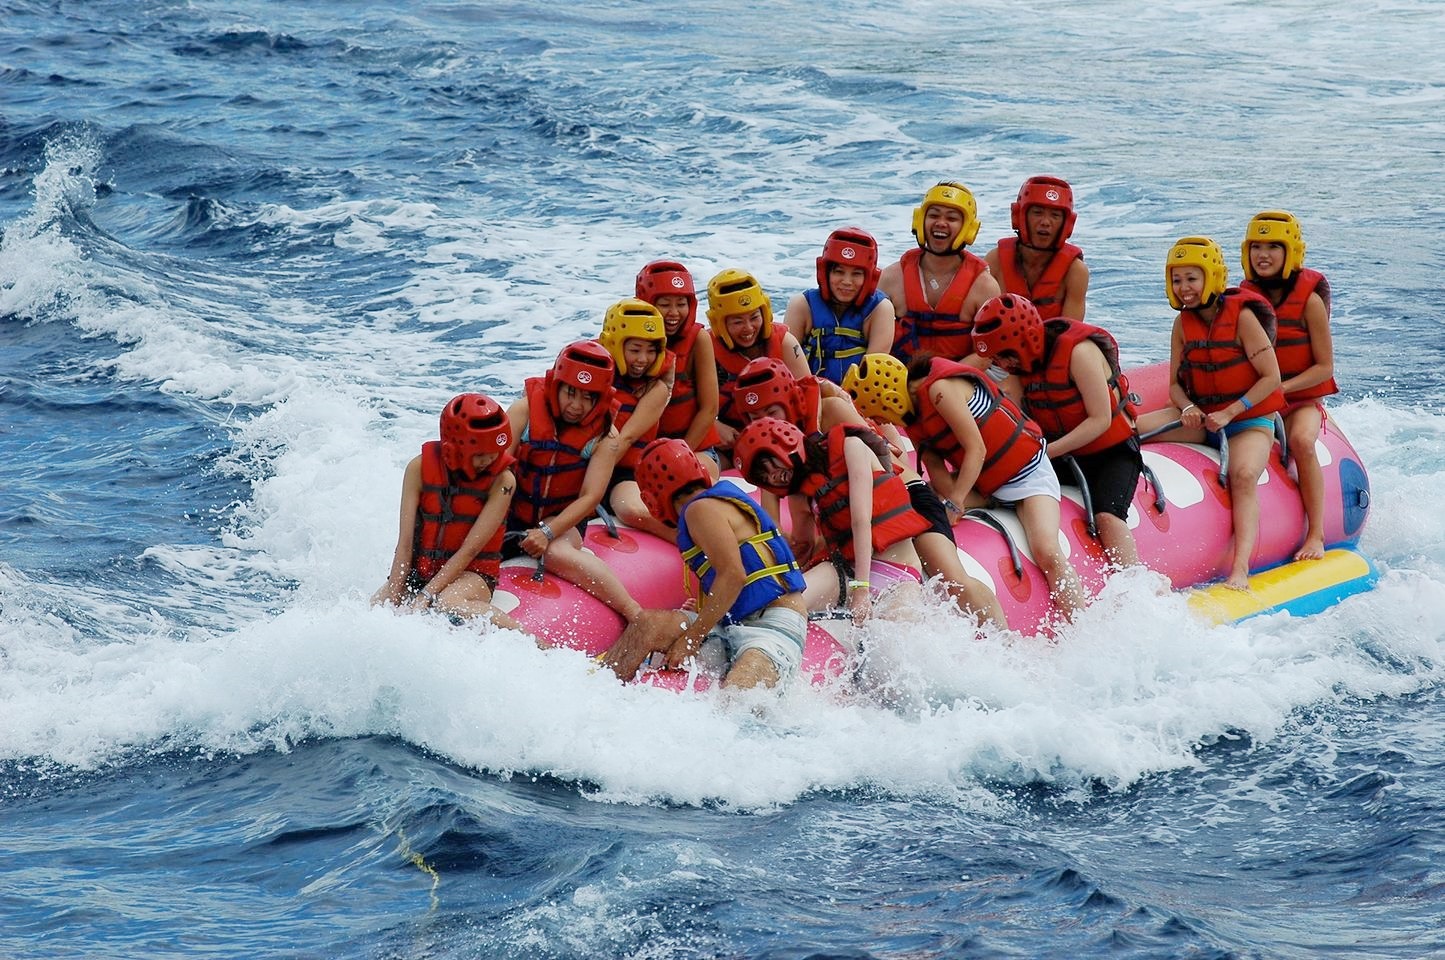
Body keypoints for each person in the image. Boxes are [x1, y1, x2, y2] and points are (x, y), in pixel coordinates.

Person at [738, 354, 1008, 628]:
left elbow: (882, 462)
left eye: (770, 413)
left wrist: (862, 580)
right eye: (753, 416)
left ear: (789, 400)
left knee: (950, 575)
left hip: (903, 495)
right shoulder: (771, 458)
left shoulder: (830, 412)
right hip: (854, 517)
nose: (762, 421)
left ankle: (1004, 636)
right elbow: (782, 527)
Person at [848, 347, 1087, 622]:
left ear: (889, 400)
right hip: (986, 486)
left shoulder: (941, 390)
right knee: (936, 505)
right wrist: (947, 501)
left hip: (1027, 473)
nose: (887, 424)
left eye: (882, 416)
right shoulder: (916, 418)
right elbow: (939, 478)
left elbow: (977, 449)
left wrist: (956, 501)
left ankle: (1078, 624)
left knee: (1046, 550)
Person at [600, 438, 809, 690]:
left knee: (737, 694)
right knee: (648, 623)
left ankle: (601, 685)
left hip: (772, 625)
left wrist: (691, 638)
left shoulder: (700, 510)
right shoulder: (706, 507)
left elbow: (733, 576)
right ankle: (601, 684)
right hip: (729, 624)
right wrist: (702, 610)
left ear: (653, 497)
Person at [1136, 236, 1284, 590]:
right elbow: (1174, 385)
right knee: (1132, 430)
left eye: (1192, 278)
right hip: (1203, 419)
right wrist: (1187, 407)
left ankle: (1241, 569)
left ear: (1212, 278)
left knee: (1244, 475)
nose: (1184, 288)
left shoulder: (1243, 318)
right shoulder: (1182, 325)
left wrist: (1232, 412)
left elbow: (1271, 377)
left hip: (1248, 421)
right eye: (1177, 280)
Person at [970, 294, 1142, 568]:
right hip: (1059, 455)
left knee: (1107, 517)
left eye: (1002, 356)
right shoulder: (1019, 366)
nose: (1000, 365)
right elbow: (1014, 419)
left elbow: (1100, 420)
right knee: (995, 486)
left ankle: (1136, 582)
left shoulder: (1079, 353)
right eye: (994, 359)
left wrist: (1046, 452)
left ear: (1024, 342)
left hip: (1111, 452)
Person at [734, 416, 931, 625]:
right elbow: (803, 547)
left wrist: (861, 590)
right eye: (763, 476)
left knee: (893, 643)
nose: (772, 477)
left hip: (897, 571)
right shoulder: (800, 495)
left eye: (769, 466)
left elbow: (861, 521)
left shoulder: (852, 446)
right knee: (778, 611)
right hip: (844, 572)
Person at [504, 340, 644, 624]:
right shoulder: (523, 412)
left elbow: (591, 496)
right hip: (510, 514)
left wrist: (547, 531)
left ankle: (635, 614)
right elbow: (497, 474)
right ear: (557, 385)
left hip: (563, 519)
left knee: (555, 553)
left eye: (588, 397)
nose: (576, 406)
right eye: (571, 392)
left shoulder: (606, 436)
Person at [372, 393, 525, 631]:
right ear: (454, 448)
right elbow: (404, 544)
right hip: (420, 570)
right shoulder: (418, 468)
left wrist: (425, 596)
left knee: (447, 603)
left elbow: (470, 550)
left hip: (472, 574)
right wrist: (394, 593)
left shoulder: (504, 481)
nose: (490, 459)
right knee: (377, 608)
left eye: (495, 450)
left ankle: (535, 644)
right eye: (481, 454)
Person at [1239, 210, 1336, 561]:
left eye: (1273, 247)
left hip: (1300, 400)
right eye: (1256, 247)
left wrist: (1281, 390)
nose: (1263, 255)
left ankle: (1316, 534)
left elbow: (1324, 368)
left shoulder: (1308, 299)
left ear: (1291, 251)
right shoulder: (1243, 298)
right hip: (1260, 400)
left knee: (1300, 441)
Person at [879, 180, 1001, 367]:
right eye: (934, 215)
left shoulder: (984, 286)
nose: (941, 223)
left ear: (968, 228)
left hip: (961, 381)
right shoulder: (891, 278)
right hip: (898, 380)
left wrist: (939, 380)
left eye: (952, 218)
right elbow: (870, 337)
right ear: (920, 220)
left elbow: (986, 353)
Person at [596, 297, 678, 541]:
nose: (643, 359)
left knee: (631, 510)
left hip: (623, 474)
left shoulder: (656, 390)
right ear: (613, 345)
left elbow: (626, 439)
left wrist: (588, 492)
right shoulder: (589, 378)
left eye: (651, 351)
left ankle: (688, 541)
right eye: (634, 350)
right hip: (577, 469)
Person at [706, 267, 811, 451]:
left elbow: (809, 396)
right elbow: (683, 405)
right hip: (732, 443)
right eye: (737, 322)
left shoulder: (785, 342)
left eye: (754, 317)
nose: (748, 328)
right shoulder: (706, 348)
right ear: (719, 323)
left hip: (786, 438)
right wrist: (712, 427)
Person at [634, 260, 722, 474]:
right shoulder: (629, 340)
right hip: (640, 452)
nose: (674, 313)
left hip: (695, 450)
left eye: (681, 304)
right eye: (664, 304)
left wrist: (680, 455)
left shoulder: (698, 340)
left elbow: (709, 408)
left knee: (682, 476)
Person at [784, 227, 896, 384]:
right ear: (825, 272)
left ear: (869, 277)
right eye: (838, 272)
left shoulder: (880, 308)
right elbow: (786, 365)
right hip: (810, 392)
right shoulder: (802, 305)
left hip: (860, 396)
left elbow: (873, 374)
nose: (847, 282)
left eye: (856, 274)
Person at [984, 176, 1090, 321]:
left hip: (1053, 341)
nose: (1045, 222)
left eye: (1055, 215)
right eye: (1037, 213)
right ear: (1019, 216)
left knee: (1087, 344)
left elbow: (1071, 330)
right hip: (999, 341)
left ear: (1067, 223)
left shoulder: (1075, 271)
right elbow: (979, 320)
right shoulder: (996, 260)